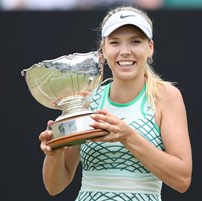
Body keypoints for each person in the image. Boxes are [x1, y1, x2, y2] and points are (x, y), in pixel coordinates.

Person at [39, 5, 192, 201]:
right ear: (103, 50)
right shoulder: (87, 100)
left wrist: (127, 136)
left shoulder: (167, 97)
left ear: (150, 48)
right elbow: (54, 186)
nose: (125, 51)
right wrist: (55, 152)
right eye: (115, 43)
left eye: (135, 42)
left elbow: (182, 179)